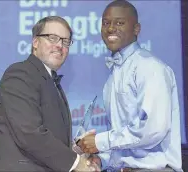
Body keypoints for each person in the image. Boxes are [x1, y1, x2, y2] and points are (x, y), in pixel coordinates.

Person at [77, 0, 183, 171]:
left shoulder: (150, 68)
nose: (111, 28)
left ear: (136, 29)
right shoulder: (113, 76)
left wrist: (101, 142)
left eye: (120, 23)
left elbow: (153, 129)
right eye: (106, 23)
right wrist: (101, 160)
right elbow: (123, 139)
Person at [0, 16, 99, 172]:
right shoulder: (20, 73)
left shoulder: (52, 81)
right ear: (35, 42)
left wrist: (76, 149)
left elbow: (46, 137)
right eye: (53, 38)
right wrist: (76, 163)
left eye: (65, 41)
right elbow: (29, 134)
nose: (60, 46)